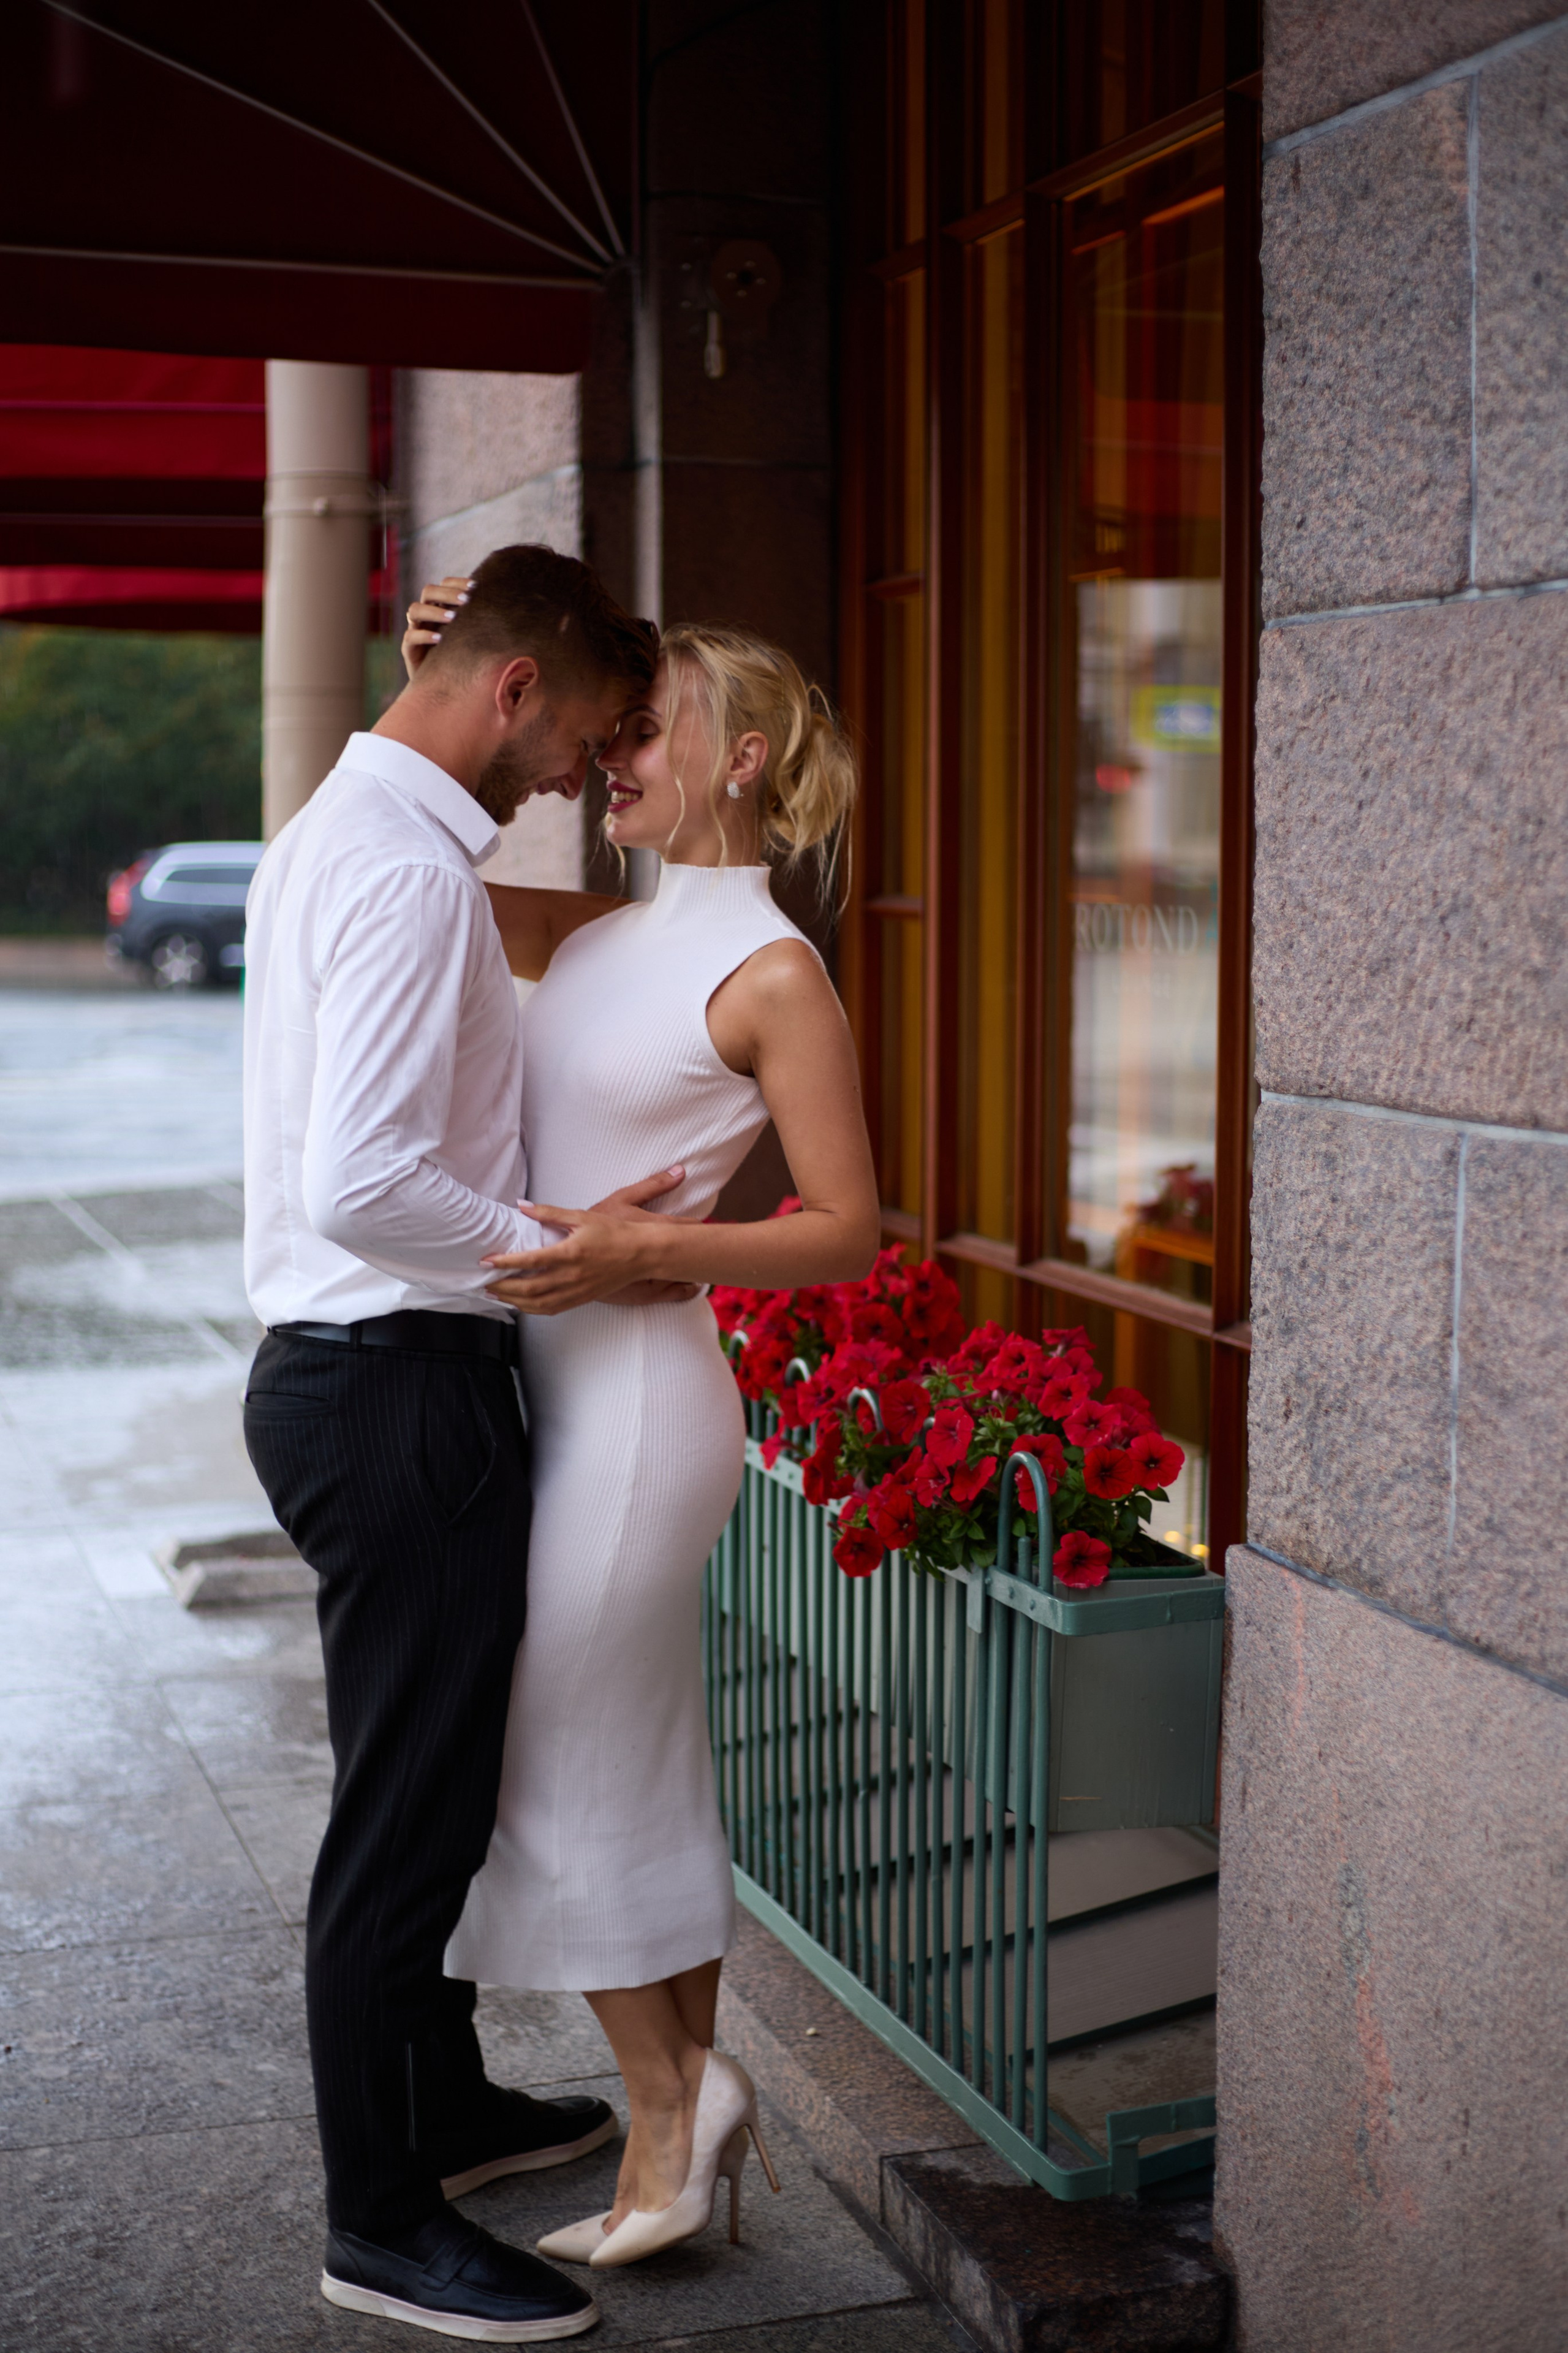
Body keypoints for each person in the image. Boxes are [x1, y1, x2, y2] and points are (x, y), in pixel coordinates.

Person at [242, 544, 700, 2343]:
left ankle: (440, 2109)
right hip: (391, 1384)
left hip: (362, 1377)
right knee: (404, 1822)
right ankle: (378, 2220)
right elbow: (360, 1180)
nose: (584, 770)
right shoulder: (407, 875)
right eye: (584, 729)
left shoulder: (351, 835)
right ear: (516, 691)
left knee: (420, 1775)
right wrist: (564, 1251)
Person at [403, 583, 880, 2271]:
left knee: (555, 1755)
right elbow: (415, 856)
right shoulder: (595, 931)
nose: (612, 751)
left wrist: (643, 1250)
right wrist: (445, 679)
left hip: (642, 1405)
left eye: (647, 724)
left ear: (739, 760)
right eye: (609, 725)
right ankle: (687, 2104)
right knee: (639, 1767)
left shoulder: (773, 973)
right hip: (549, 1390)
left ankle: (671, 2108)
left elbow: (846, 1229)